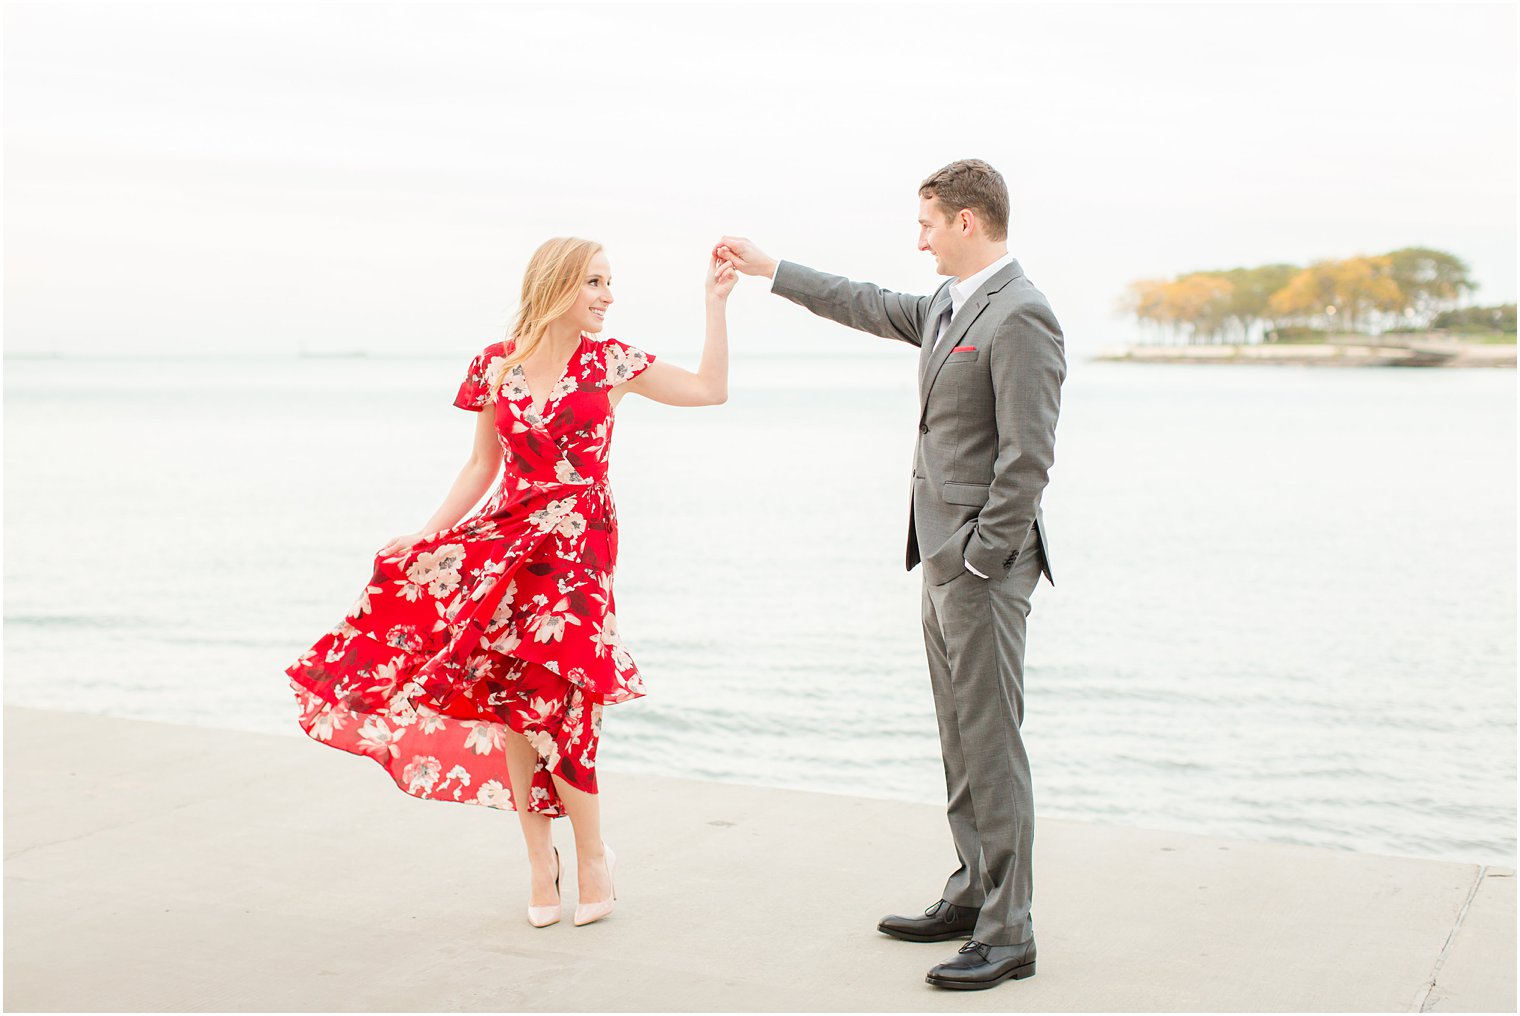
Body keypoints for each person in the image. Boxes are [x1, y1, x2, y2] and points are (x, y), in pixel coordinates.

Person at [285, 237, 735, 929]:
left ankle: (591, 855)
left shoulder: (611, 360)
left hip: (582, 548)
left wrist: (714, 305)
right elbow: (479, 467)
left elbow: (710, 391)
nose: (609, 296)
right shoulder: (496, 367)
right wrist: (430, 534)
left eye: (610, 283)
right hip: (511, 545)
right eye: (595, 282)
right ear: (557, 285)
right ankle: (537, 861)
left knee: (568, 699)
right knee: (519, 701)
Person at [715, 158, 1064, 991]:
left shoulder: (1021, 315)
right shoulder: (949, 306)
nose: (920, 239)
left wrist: (981, 557)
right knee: (958, 738)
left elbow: (1029, 458)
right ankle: (973, 892)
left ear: (969, 221)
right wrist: (771, 270)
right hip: (939, 557)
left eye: (929, 223)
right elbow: (866, 303)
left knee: (992, 744)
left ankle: (1010, 933)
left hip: (981, 567)